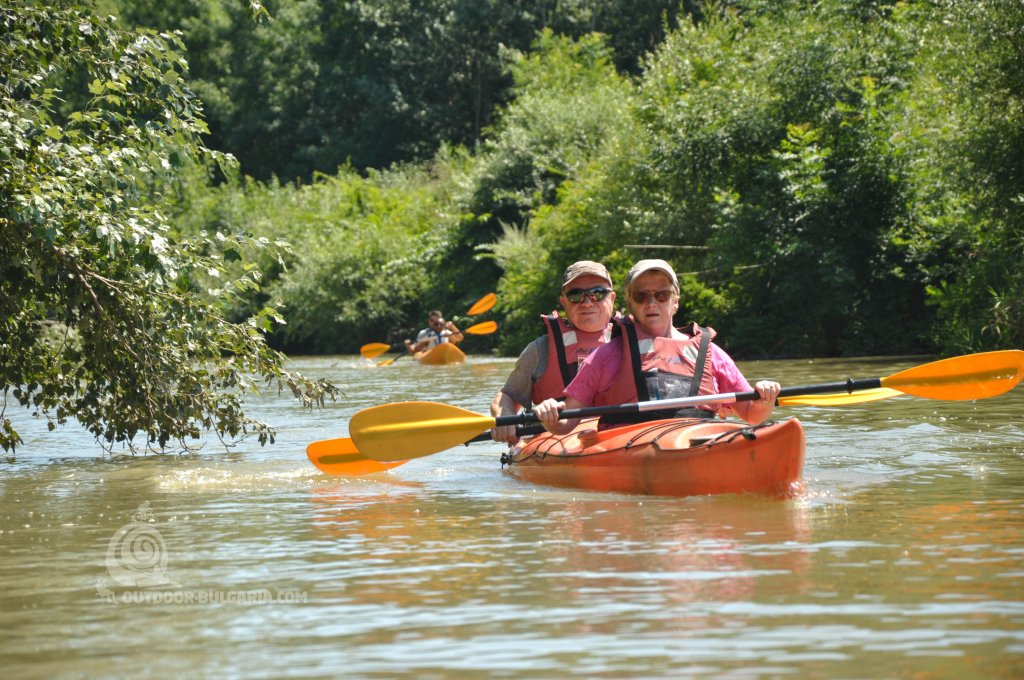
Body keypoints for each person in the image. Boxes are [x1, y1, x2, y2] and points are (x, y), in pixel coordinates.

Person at [533, 258, 781, 435]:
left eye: (661, 295)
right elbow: (565, 423)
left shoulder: (712, 353)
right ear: (630, 305)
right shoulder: (606, 356)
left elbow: (751, 414)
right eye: (641, 296)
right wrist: (550, 413)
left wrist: (765, 397)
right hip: (630, 443)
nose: (652, 303)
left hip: (698, 437)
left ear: (675, 302)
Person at [490, 261, 617, 443]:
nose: (587, 302)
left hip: (618, 436)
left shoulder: (632, 343)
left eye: (598, 293)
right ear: (564, 302)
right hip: (554, 440)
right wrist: (504, 417)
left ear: (612, 298)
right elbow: (509, 395)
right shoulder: (540, 349)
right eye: (576, 295)